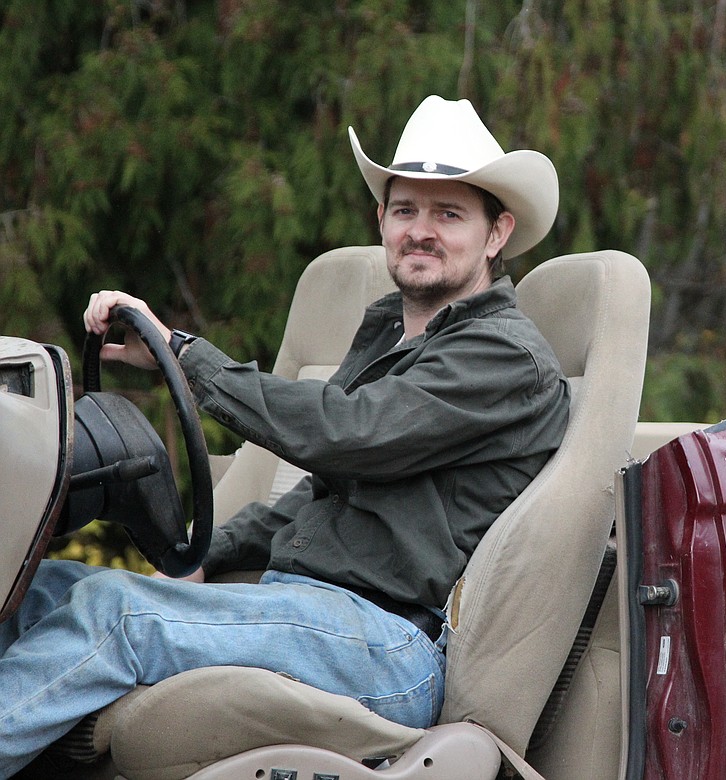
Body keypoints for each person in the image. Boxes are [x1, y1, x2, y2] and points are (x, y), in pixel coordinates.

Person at [0, 95, 570, 778]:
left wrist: (186, 357)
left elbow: (349, 435)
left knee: (116, 613)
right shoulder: (393, 330)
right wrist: (202, 557)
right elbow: (322, 490)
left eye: (448, 214)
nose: (421, 231)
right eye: (405, 210)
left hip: (386, 642)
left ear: (496, 233)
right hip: (305, 613)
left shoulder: (504, 356)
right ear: (381, 220)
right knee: (37, 585)